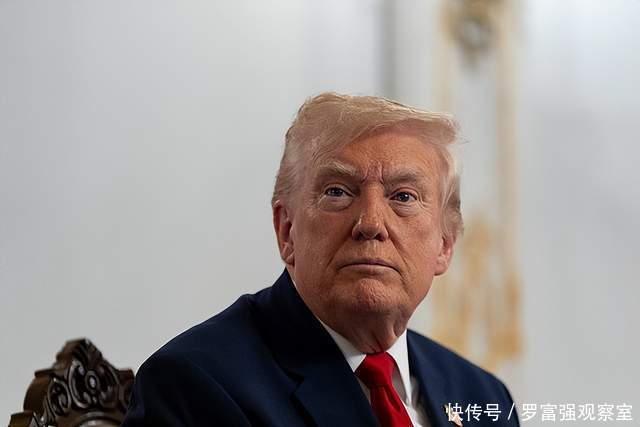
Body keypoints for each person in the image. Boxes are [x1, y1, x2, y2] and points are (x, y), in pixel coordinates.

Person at [122, 93, 519, 426]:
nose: (371, 224)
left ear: (445, 244)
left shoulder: (484, 397)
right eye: (337, 192)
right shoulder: (195, 383)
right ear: (287, 230)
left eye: (403, 197)